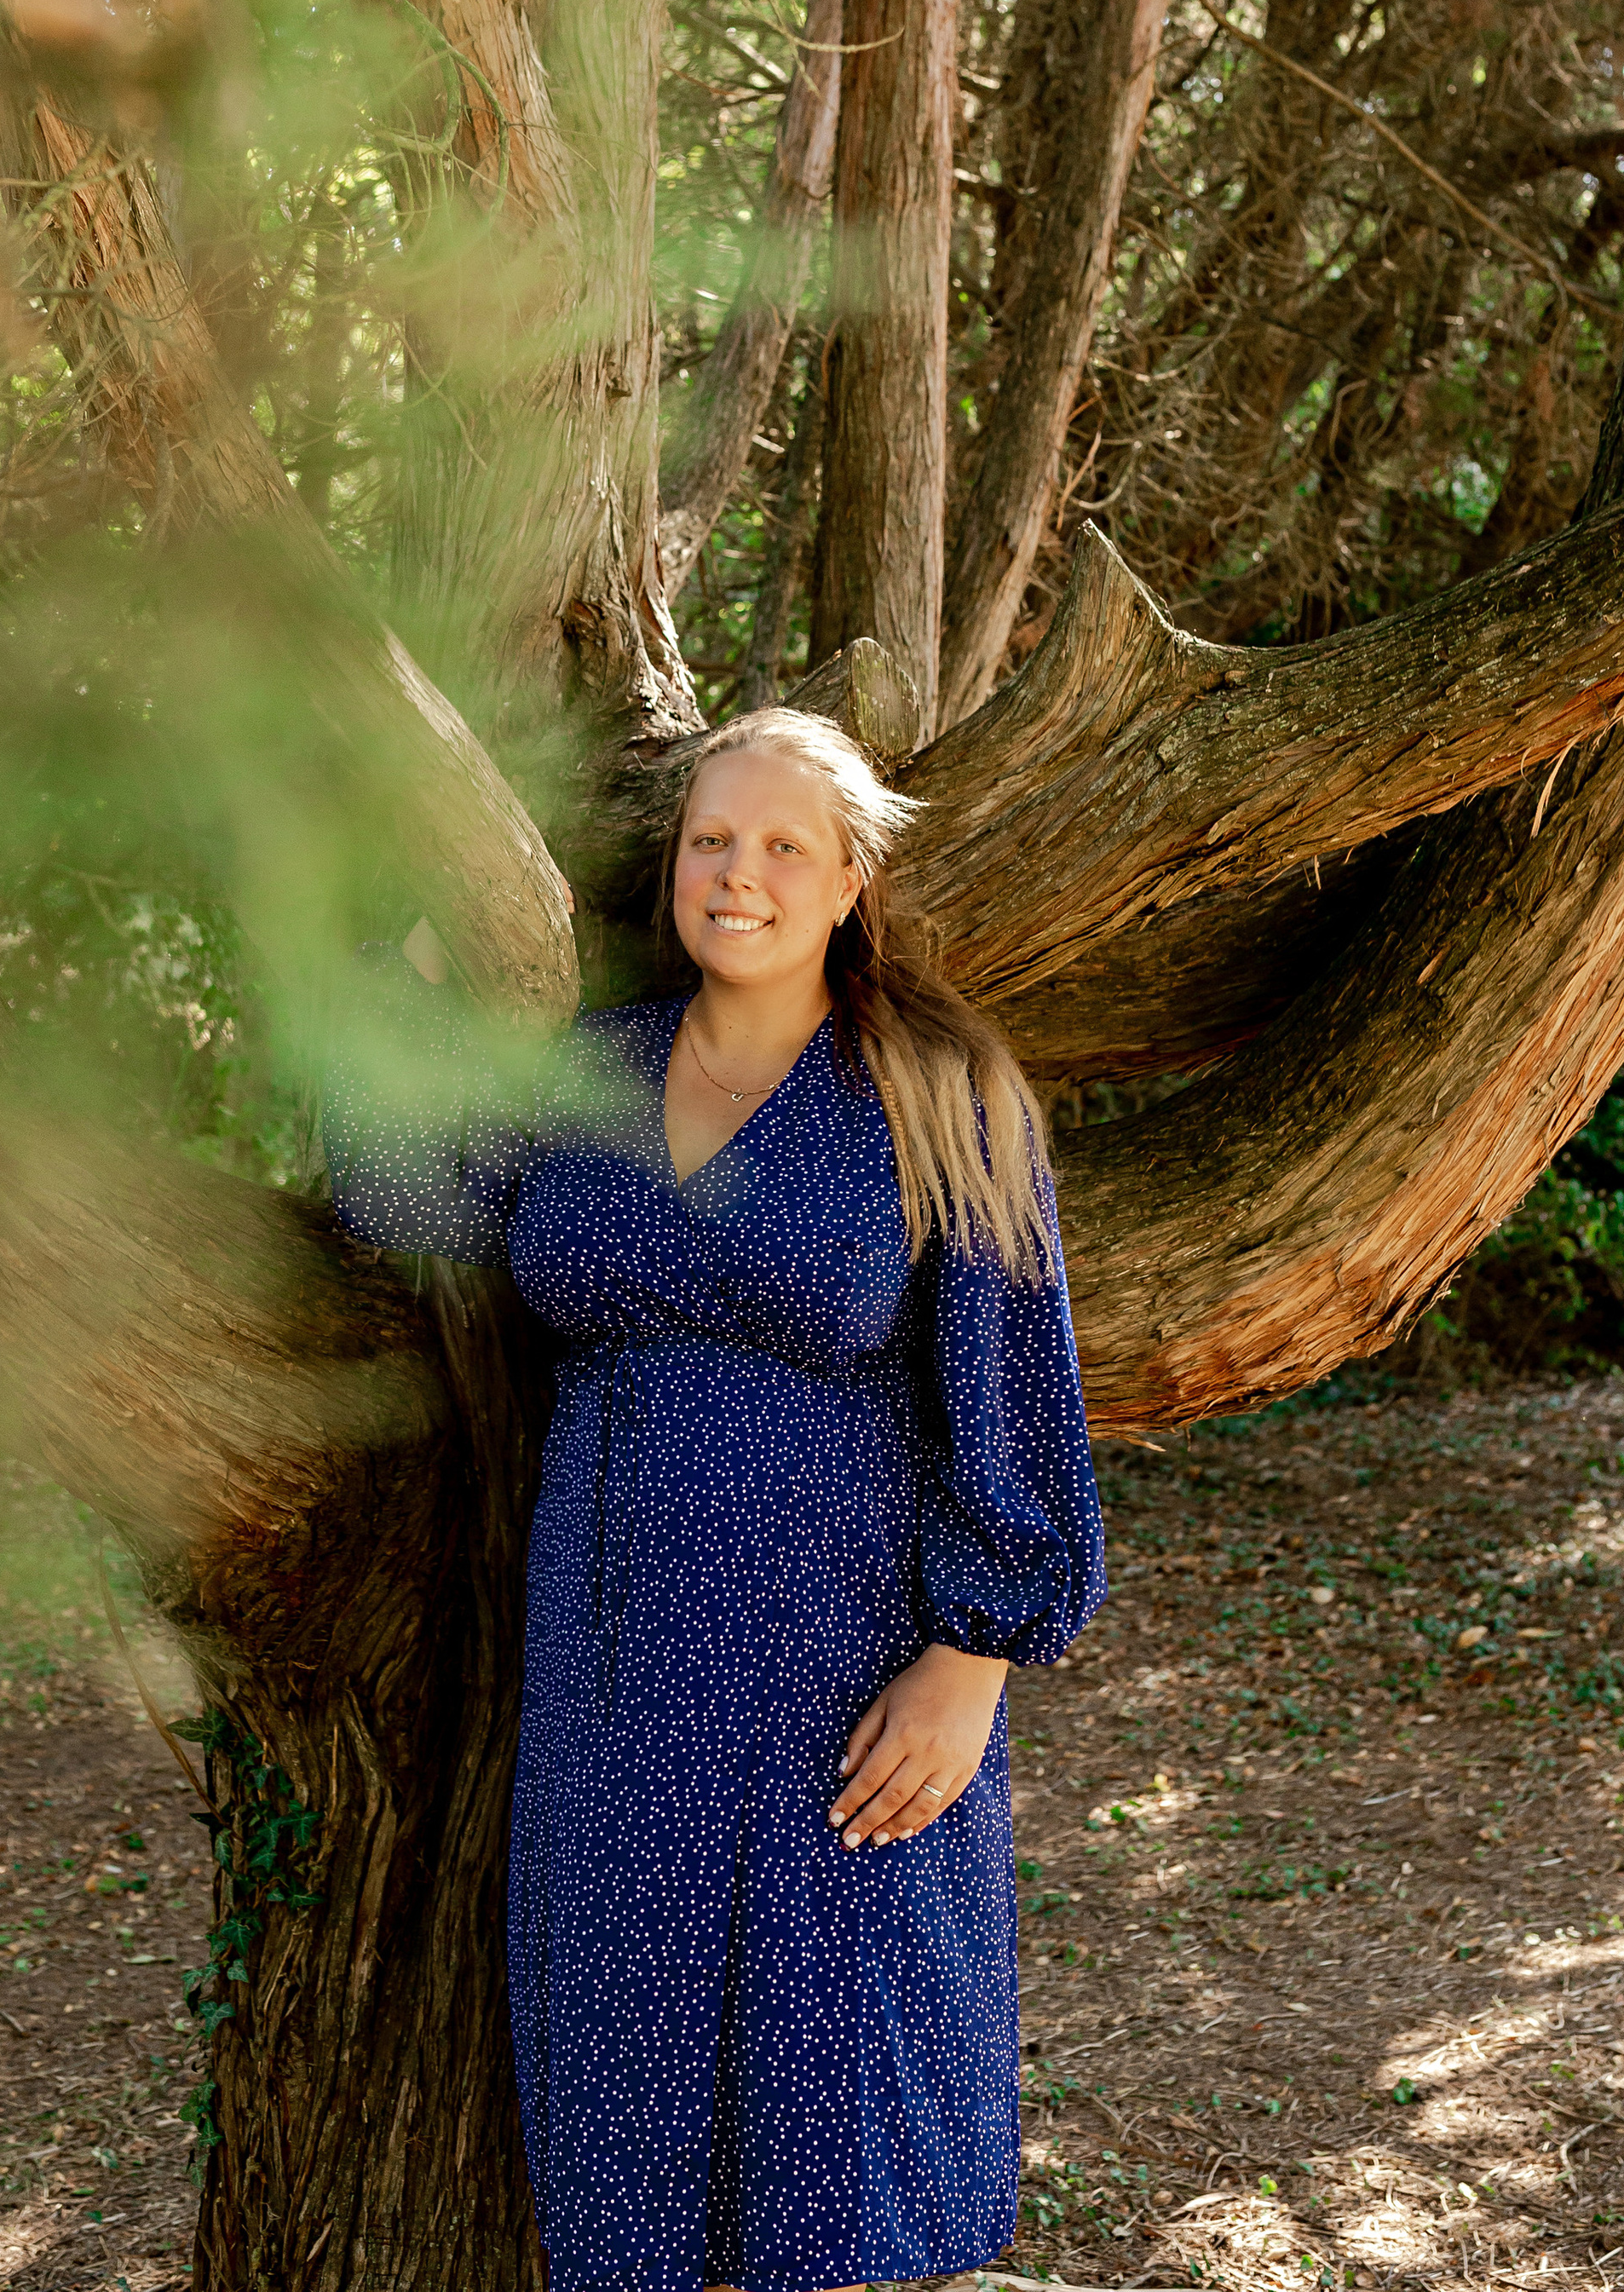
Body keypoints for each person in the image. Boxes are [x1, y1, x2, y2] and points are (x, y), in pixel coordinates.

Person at [326, 705, 1106, 2292]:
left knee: (838, 2166)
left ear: (848, 884)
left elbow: (1017, 1391)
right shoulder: (590, 1075)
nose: (736, 875)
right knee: (631, 2161)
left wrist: (975, 1664)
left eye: (780, 846)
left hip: (840, 1697)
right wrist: (429, 905)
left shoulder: (937, 1094)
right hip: (614, 1699)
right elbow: (388, 1179)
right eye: (707, 841)